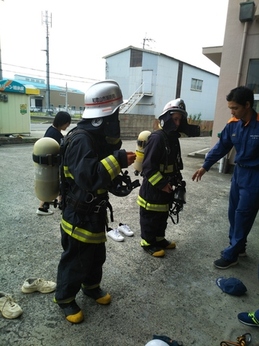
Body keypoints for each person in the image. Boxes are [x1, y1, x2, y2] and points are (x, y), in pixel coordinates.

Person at [54, 80, 135, 324]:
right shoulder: (81, 140)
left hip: (93, 210)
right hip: (78, 213)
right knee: (76, 259)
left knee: (96, 255)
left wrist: (114, 150)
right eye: (116, 114)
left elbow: (103, 167)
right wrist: (118, 159)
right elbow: (89, 177)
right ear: (104, 116)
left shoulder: (94, 137)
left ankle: (91, 287)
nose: (118, 120)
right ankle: (65, 298)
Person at [192, 86, 259, 269]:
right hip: (239, 174)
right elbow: (221, 147)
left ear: (247, 105)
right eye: (230, 108)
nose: (232, 111)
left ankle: (232, 254)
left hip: (255, 177)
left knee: (243, 215)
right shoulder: (232, 124)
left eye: (235, 108)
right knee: (233, 212)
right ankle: (239, 247)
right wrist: (205, 166)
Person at [137, 98, 187, 257]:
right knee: (150, 217)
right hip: (153, 188)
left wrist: (177, 182)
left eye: (180, 119)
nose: (178, 123)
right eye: (175, 119)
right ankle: (148, 242)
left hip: (167, 186)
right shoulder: (157, 138)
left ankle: (159, 239)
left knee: (162, 215)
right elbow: (148, 167)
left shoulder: (173, 138)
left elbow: (175, 163)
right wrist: (162, 184)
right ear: (166, 118)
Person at [36, 111, 71, 215]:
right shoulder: (54, 134)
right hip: (52, 165)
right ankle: (42, 207)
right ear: (63, 122)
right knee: (52, 184)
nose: (68, 126)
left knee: (56, 183)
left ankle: (59, 203)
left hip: (51, 165)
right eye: (67, 123)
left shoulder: (52, 130)